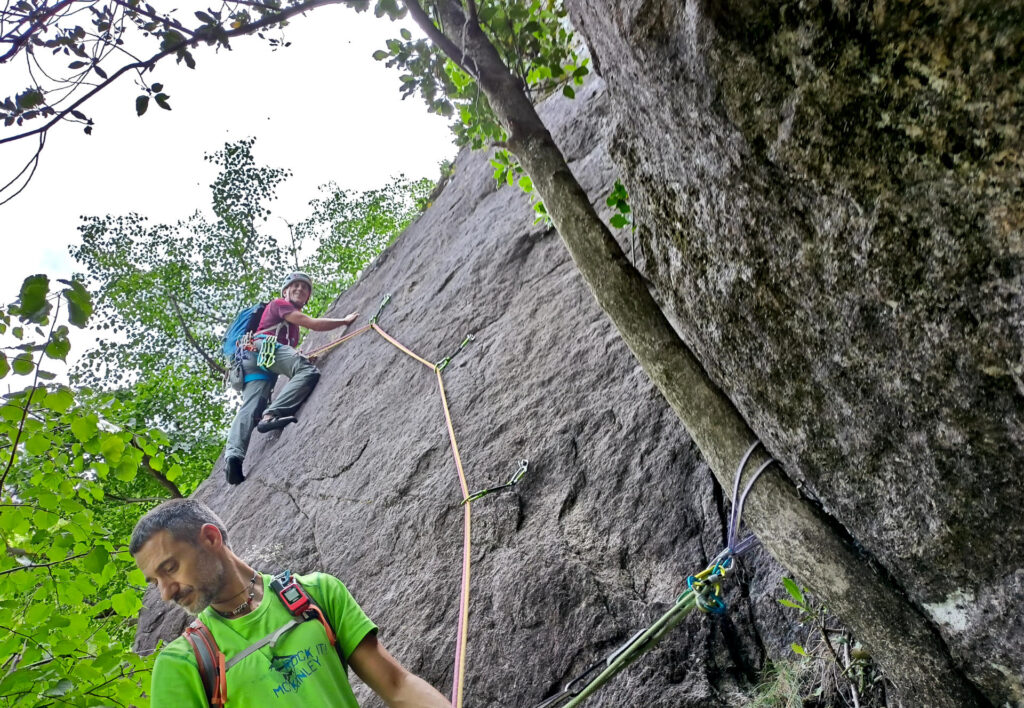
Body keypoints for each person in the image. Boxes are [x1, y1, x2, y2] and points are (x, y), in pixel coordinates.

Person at [131, 498, 451, 707]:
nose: (166, 592)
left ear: (211, 539)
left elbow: (397, 685)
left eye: (170, 568)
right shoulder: (182, 664)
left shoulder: (316, 595)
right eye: (155, 581)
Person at [225, 272, 357, 485]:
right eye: (294, 286)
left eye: (304, 288)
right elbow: (312, 324)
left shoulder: (291, 332)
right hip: (262, 348)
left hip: (254, 360)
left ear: (307, 298)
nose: (299, 289)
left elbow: (285, 353)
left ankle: (233, 457)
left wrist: (300, 355)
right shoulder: (279, 305)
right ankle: (271, 415)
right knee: (307, 372)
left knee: (250, 407)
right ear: (284, 292)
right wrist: (344, 320)